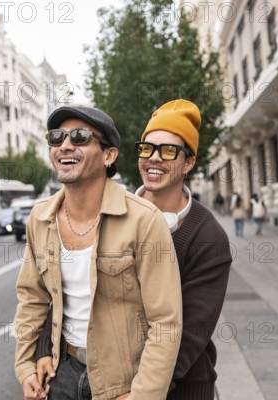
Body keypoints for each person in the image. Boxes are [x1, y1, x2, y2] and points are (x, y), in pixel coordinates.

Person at [35, 100, 232, 400]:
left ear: (189, 162)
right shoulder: (109, 212)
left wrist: (139, 389)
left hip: (176, 387)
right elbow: (70, 293)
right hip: (102, 380)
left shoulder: (208, 238)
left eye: (168, 151)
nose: (154, 159)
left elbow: (187, 333)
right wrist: (42, 351)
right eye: (147, 148)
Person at [15, 105, 183, 400]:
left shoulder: (144, 219)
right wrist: (26, 365)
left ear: (109, 155)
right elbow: (32, 298)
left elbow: (165, 322)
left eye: (79, 137)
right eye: (56, 138)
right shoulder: (40, 218)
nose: (65, 145)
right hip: (59, 374)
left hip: (124, 383)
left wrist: (143, 395)